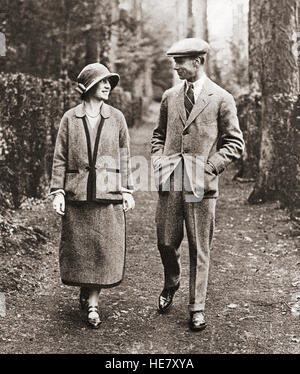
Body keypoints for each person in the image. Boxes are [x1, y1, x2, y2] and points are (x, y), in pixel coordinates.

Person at [151, 38, 244, 331]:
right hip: (171, 180)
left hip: (202, 183)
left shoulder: (221, 97)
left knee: (199, 247)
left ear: (198, 62)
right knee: (166, 241)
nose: (176, 67)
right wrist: (157, 158)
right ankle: (172, 281)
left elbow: (234, 142)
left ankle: (197, 307)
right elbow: (158, 134)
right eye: (174, 62)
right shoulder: (169, 96)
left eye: (181, 62)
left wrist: (211, 166)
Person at [50, 63, 135, 329]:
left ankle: (94, 305)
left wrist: (127, 189)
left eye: (109, 82)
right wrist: (58, 191)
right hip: (77, 194)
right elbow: (60, 156)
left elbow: (124, 155)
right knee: (82, 251)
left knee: (101, 250)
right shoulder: (69, 118)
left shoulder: (117, 117)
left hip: (106, 194)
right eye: (102, 82)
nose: (108, 86)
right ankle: (86, 290)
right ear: (88, 87)